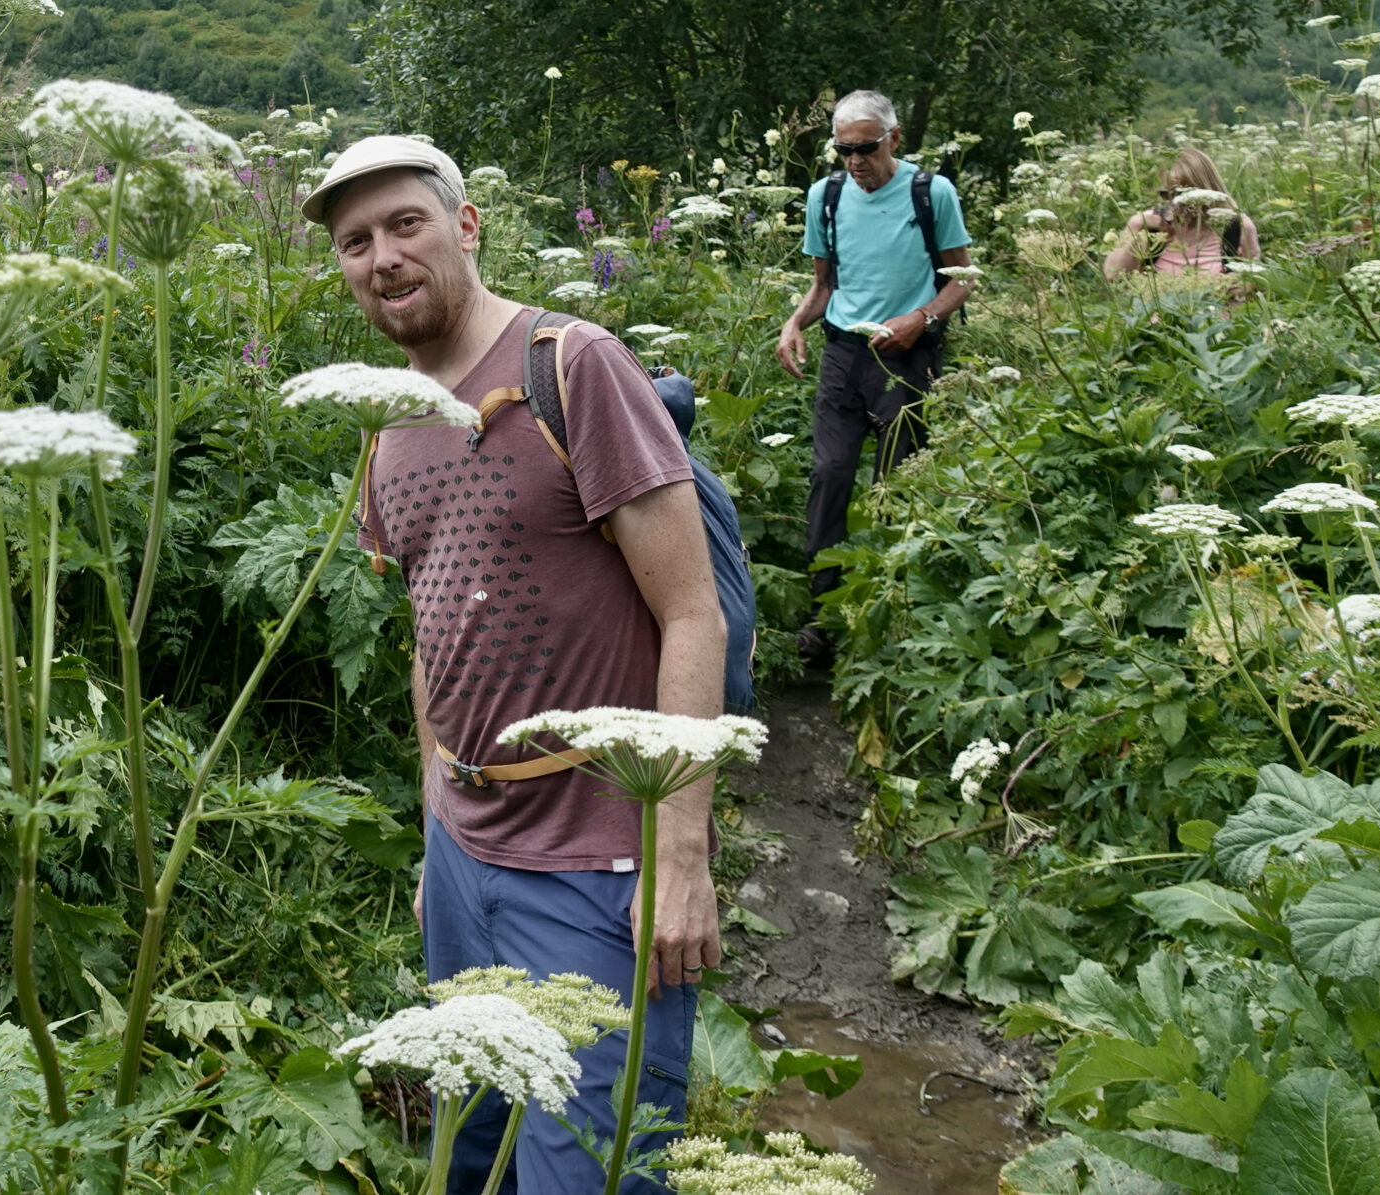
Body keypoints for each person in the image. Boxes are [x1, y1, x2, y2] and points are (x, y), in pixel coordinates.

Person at [304, 134, 728, 1195]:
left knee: (586, 1169)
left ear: (466, 225)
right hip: (463, 855)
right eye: (355, 242)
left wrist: (680, 849)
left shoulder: (570, 364)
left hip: (597, 855)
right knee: (471, 1152)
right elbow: (430, 628)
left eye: (405, 224)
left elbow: (692, 613)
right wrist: (431, 827)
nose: (383, 257)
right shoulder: (386, 422)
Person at [774, 92, 973, 617]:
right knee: (830, 475)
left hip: (908, 357)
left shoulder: (932, 193)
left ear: (895, 139)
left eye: (866, 148)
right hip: (844, 353)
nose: (856, 161)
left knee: (897, 480)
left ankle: (892, 605)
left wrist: (922, 319)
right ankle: (822, 614)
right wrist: (794, 324)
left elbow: (962, 280)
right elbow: (822, 286)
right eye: (844, 150)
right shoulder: (826, 196)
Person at [1103, 148, 1261, 280]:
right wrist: (1135, 224)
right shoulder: (1150, 226)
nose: (1176, 202)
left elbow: (1256, 280)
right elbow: (1113, 275)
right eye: (1167, 194)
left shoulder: (1237, 227)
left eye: (1184, 194)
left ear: (1207, 190)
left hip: (1220, 316)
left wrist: (1244, 286)